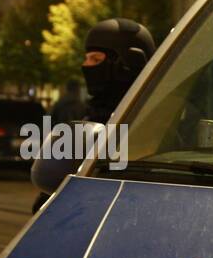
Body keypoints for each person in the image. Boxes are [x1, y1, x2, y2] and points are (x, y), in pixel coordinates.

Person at [31, 18, 156, 211]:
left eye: (96, 60)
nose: (86, 66)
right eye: (86, 58)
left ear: (127, 65)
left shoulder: (154, 120)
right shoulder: (89, 114)